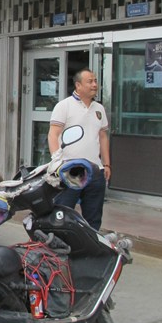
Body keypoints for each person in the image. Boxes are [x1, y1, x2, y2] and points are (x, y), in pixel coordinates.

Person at [47, 69, 111, 230]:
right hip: (69, 170)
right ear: (78, 85)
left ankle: (91, 243)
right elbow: (53, 135)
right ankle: (58, 244)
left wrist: (106, 164)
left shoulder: (99, 108)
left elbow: (103, 136)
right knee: (61, 214)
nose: (94, 84)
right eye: (90, 81)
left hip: (95, 170)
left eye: (95, 81)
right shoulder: (64, 106)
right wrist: (57, 163)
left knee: (93, 218)